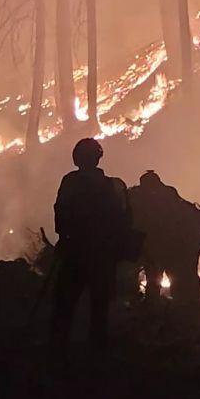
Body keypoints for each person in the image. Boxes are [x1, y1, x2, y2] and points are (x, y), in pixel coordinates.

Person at [50, 137, 129, 348]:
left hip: (76, 252)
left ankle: (60, 349)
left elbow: (61, 212)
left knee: (65, 303)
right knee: (99, 306)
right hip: (102, 254)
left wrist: (64, 238)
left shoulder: (71, 182)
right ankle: (97, 351)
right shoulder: (111, 186)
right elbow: (120, 219)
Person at [128, 170, 200, 318]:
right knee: (180, 282)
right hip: (174, 249)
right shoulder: (171, 197)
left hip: (166, 249)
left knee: (160, 283)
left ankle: (165, 315)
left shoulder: (148, 200)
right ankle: (186, 314)